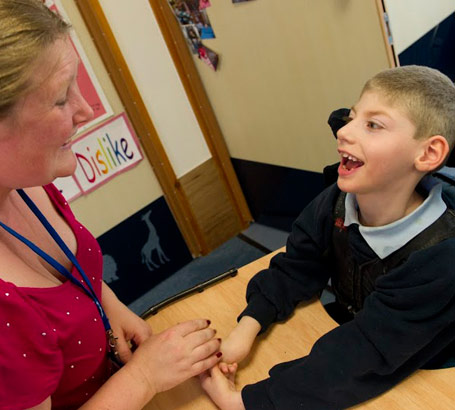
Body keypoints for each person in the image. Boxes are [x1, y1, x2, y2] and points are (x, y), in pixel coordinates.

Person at [0, 1, 222, 409]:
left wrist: (110, 305)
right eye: (61, 100)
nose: (85, 109)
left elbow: (68, 272)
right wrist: (143, 377)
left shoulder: (28, 185)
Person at [200, 65, 455, 409]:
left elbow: (365, 353)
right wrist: (246, 330)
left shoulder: (441, 255)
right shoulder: (336, 201)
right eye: (351, 118)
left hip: (423, 367)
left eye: (372, 125)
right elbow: (297, 266)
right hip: (364, 331)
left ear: (427, 154)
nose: (344, 132)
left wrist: (248, 403)